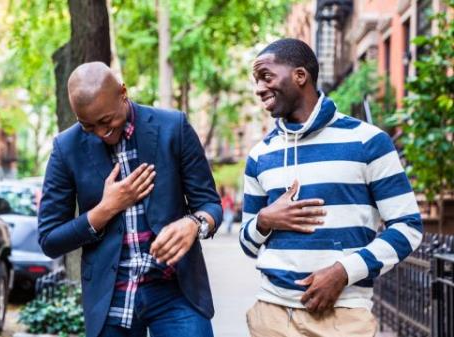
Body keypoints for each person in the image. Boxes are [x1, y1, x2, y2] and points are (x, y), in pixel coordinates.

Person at [239, 38, 423, 337]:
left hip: (343, 315)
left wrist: (344, 272)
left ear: (300, 76)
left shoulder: (368, 141)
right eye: (256, 80)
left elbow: (408, 227)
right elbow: (247, 244)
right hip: (272, 315)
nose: (259, 88)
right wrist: (264, 220)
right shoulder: (260, 155)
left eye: (266, 76)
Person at [38, 62, 222, 337]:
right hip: (110, 298)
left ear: (123, 93)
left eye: (106, 120)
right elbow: (50, 239)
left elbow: (210, 204)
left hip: (175, 292)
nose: (101, 132)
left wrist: (194, 224)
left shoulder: (173, 127)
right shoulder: (66, 148)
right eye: (88, 125)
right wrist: (106, 208)